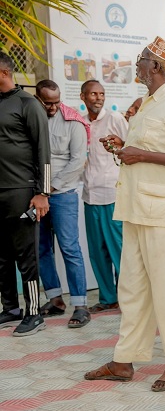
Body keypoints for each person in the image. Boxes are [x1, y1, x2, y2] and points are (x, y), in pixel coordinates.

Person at [85, 36, 165, 392]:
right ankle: (124, 361)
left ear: (155, 66)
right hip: (137, 209)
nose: (137, 64)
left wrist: (141, 155)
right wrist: (125, 148)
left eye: (142, 59)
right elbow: (148, 150)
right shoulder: (148, 103)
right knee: (132, 289)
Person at [0, 52, 50, 336]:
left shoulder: (28, 104)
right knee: (2, 256)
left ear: (4, 72)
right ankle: (10, 308)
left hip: (22, 191)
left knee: (26, 255)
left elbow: (44, 150)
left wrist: (43, 192)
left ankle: (34, 313)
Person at [35, 79, 91, 328]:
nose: (53, 107)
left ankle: (80, 306)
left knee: (69, 248)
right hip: (36, 195)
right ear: (38, 99)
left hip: (62, 194)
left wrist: (49, 189)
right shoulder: (30, 119)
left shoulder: (73, 121)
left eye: (56, 102)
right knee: (41, 248)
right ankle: (55, 299)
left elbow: (77, 162)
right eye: (47, 103)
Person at [80, 79, 129, 314]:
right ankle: (108, 298)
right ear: (83, 97)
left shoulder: (115, 119)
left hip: (112, 194)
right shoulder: (81, 123)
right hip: (90, 195)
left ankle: (128, 298)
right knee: (97, 252)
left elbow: (131, 145)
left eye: (101, 93)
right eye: (93, 94)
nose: (98, 98)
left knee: (118, 249)